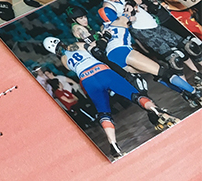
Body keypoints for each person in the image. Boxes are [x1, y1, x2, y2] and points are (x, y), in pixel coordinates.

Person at [42, 36, 179, 157]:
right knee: (134, 95)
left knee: (104, 112)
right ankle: (158, 112)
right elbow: (96, 50)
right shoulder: (77, 45)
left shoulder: (64, 61)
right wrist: (102, 39)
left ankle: (113, 146)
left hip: (87, 80)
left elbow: (71, 62)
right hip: (102, 71)